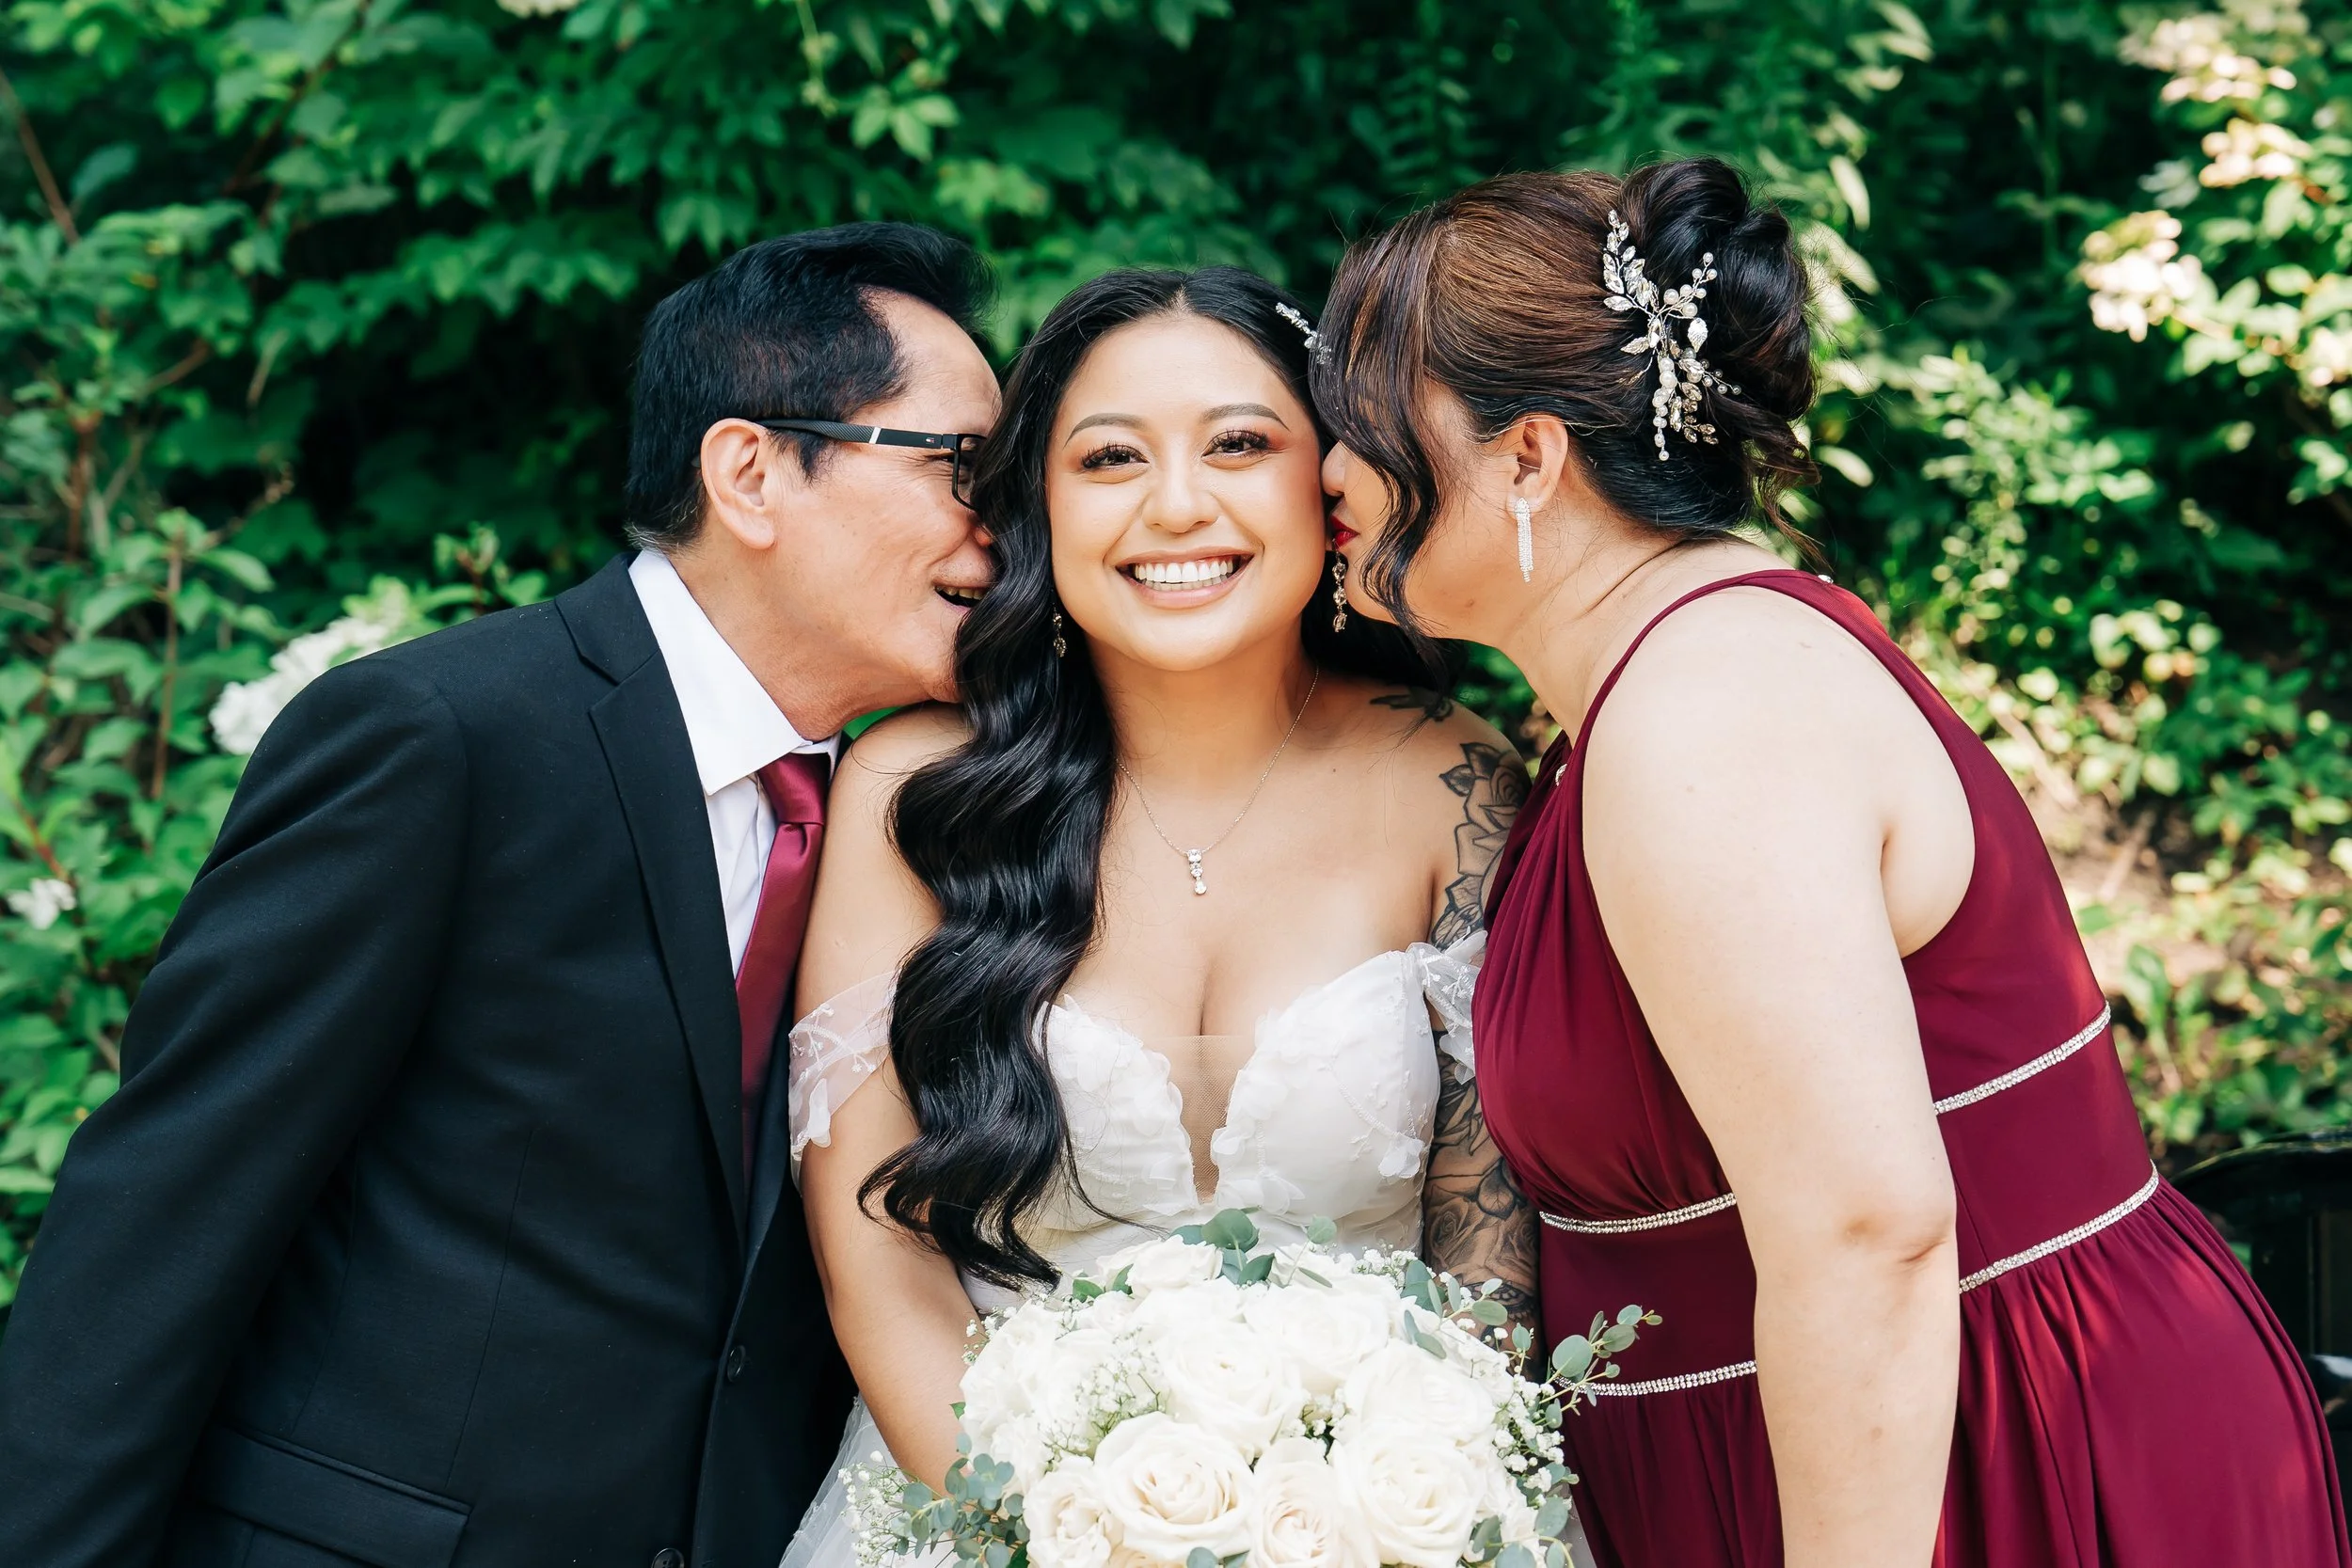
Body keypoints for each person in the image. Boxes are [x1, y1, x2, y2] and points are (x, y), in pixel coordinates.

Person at [1311, 159, 2351, 1568]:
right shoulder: (1647, 692)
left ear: (1527, 458)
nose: (1329, 473)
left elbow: (1870, 1228)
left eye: (1362, 424)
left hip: (1991, 1459)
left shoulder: (1708, 705)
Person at [0, 222, 1000, 1568]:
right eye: (960, 466)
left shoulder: (897, 828)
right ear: (751, 472)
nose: (1002, 524)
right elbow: (159, 1224)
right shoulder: (437, 739)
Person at [777, 265, 1546, 1567]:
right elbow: (875, 1256)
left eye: (1241, 444)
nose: (1177, 505)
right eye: (1110, 457)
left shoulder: (1455, 782)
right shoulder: (917, 788)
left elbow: (1487, 1260)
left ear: (1333, 482)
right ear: (1041, 504)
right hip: (972, 1515)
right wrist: (1039, 1534)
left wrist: (1412, 1509)